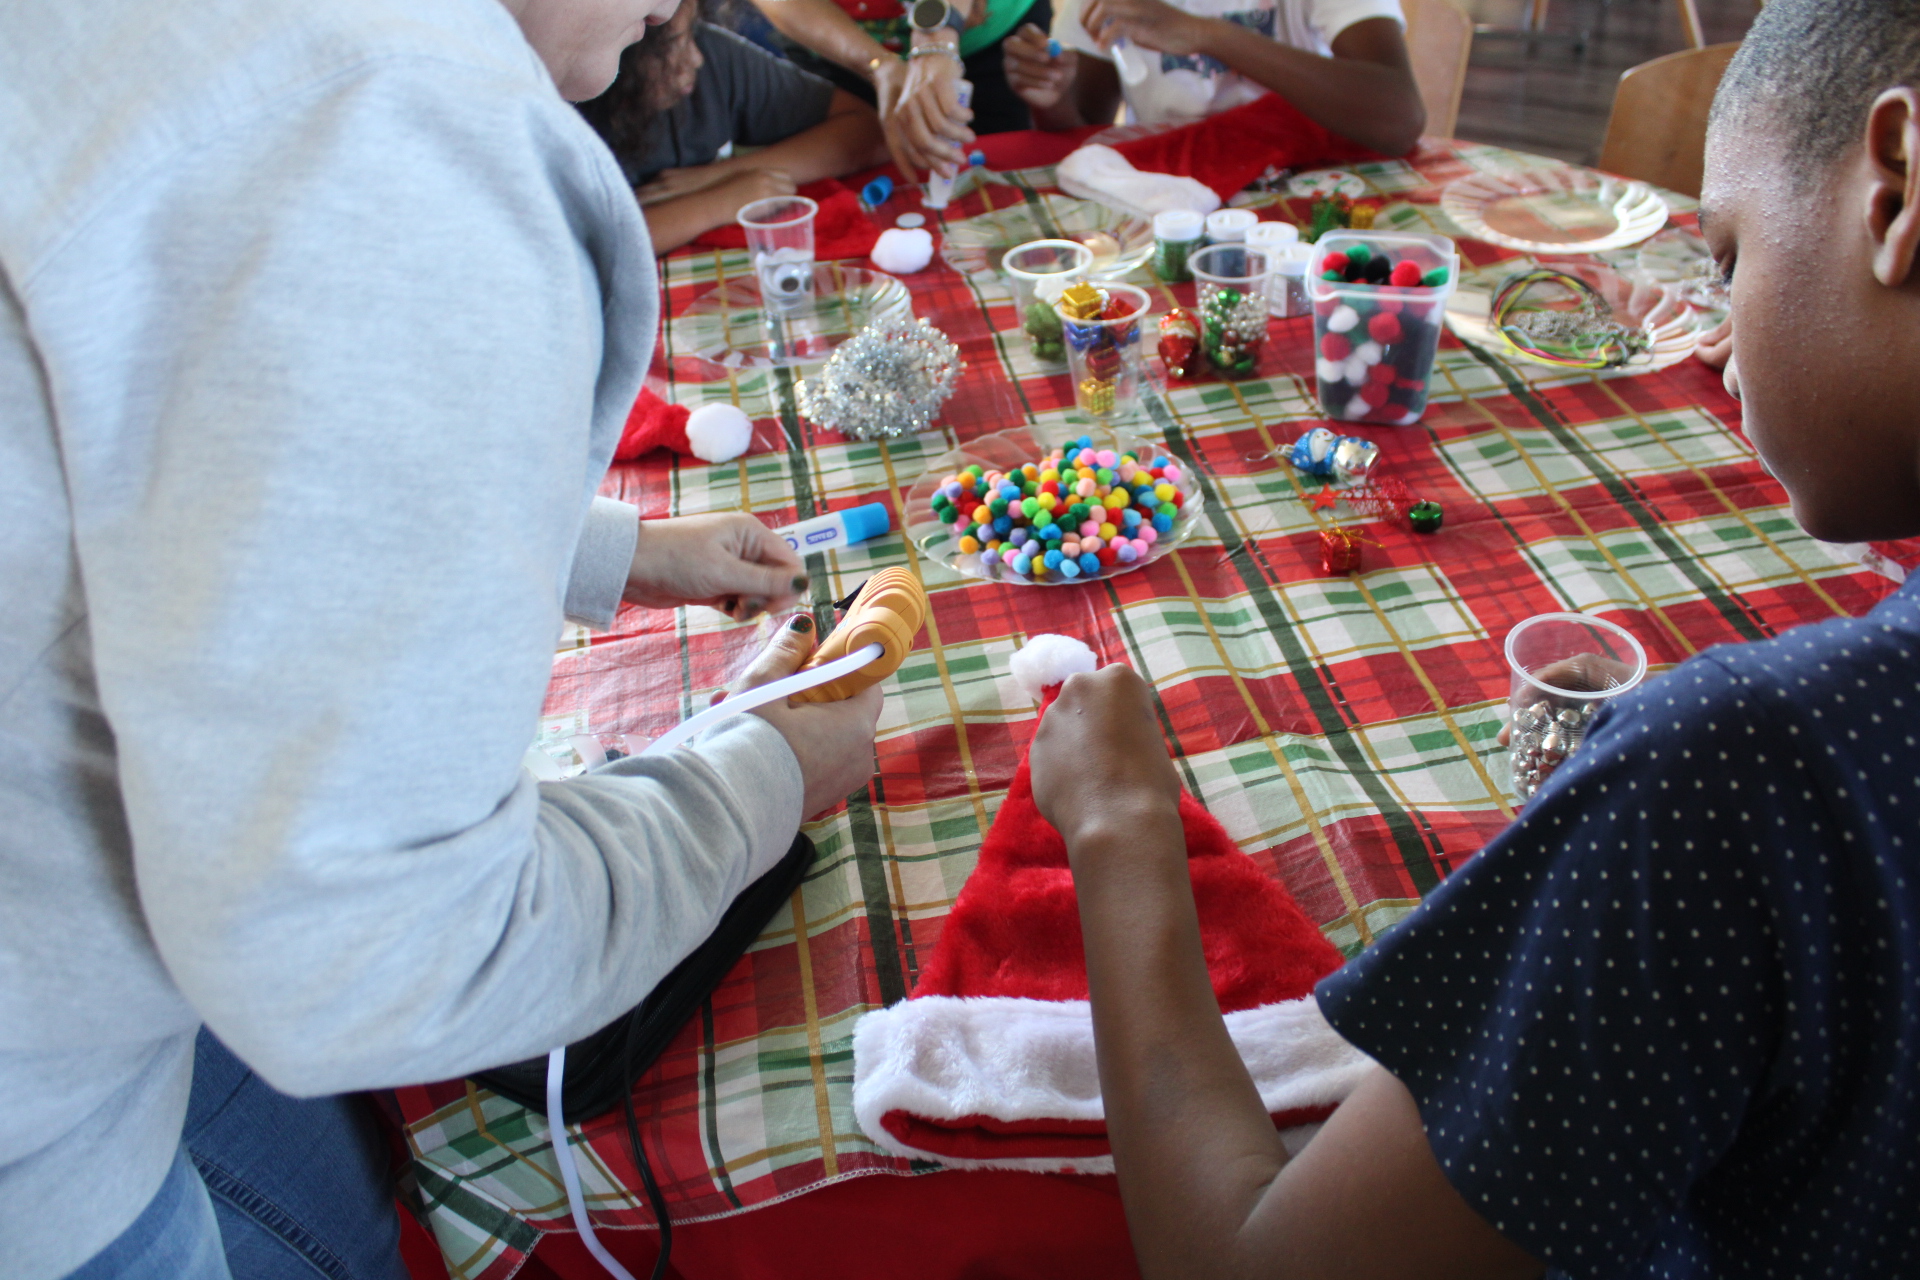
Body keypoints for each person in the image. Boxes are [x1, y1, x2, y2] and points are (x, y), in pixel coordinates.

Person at [1024, 0, 1920, 1275]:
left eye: (1726, 257)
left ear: (1894, 196)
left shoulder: (1740, 769)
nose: (1716, 336)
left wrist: (1116, 817)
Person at [0, 0, 883, 1277]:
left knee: (350, 1212)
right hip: (42, 1143)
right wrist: (767, 773)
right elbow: (374, 946)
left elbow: (212, 455)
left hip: (112, 989)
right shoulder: (395, 124)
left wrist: (613, 550)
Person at [578, 0, 891, 251]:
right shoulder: (569, 112)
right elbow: (591, 249)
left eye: (693, 35)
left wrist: (721, 175)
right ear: (624, 51)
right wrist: (716, 203)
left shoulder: (715, 57)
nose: (696, 59)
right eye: (676, 43)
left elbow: (867, 131)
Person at [1003, 0, 1424, 155]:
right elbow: (1086, 132)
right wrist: (1053, 97)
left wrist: (1207, 34)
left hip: (1300, 182)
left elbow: (1398, 117)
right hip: (1169, 197)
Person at [747, 0, 1047, 181]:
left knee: (993, 179)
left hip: (986, 37)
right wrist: (879, 66)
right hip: (833, 43)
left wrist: (935, 43)